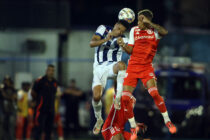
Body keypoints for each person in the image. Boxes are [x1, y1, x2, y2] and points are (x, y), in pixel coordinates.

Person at [116, 9, 177, 134]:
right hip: (133, 67)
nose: (138, 22)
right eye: (138, 19)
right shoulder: (134, 30)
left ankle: (167, 121)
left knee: (154, 93)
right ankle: (133, 127)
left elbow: (164, 32)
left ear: (147, 20)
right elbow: (130, 51)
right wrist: (122, 44)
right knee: (125, 98)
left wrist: (150, 24)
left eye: (141, 19)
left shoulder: (154, 31)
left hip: (146, 67)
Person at [90, 19, 130, 135]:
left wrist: (123, 44)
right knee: (96, 97)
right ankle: (99, 120)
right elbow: (92, 43)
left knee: (122, 65)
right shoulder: (103, 29)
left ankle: (117, 98)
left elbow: (132, 51)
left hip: (112, 67)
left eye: (122, 31)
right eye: (119, 29)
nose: (120, 33)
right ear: (115, 25)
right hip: (98, 69)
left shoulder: (124, 38)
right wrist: (106, 39)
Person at [31, 64, 58, 140]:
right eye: (49, 70)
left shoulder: (55, 82)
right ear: (46, 71)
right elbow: (33, 92)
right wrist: (38, 101)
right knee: (38, 129)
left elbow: (55, 94)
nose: (51, 72)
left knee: (48, 131)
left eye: (53, 70)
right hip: (41, 110)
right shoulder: (40, 81)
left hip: (51, 110)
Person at [0, 76, 17, 140]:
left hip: (11, 111)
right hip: (3, 110)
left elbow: (14, 97)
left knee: (11, 124)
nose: (6, 82)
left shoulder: (13, 89)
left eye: (8, 81)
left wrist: (6, 95)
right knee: (3, 124)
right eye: (5, 81)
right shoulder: (2, 89)